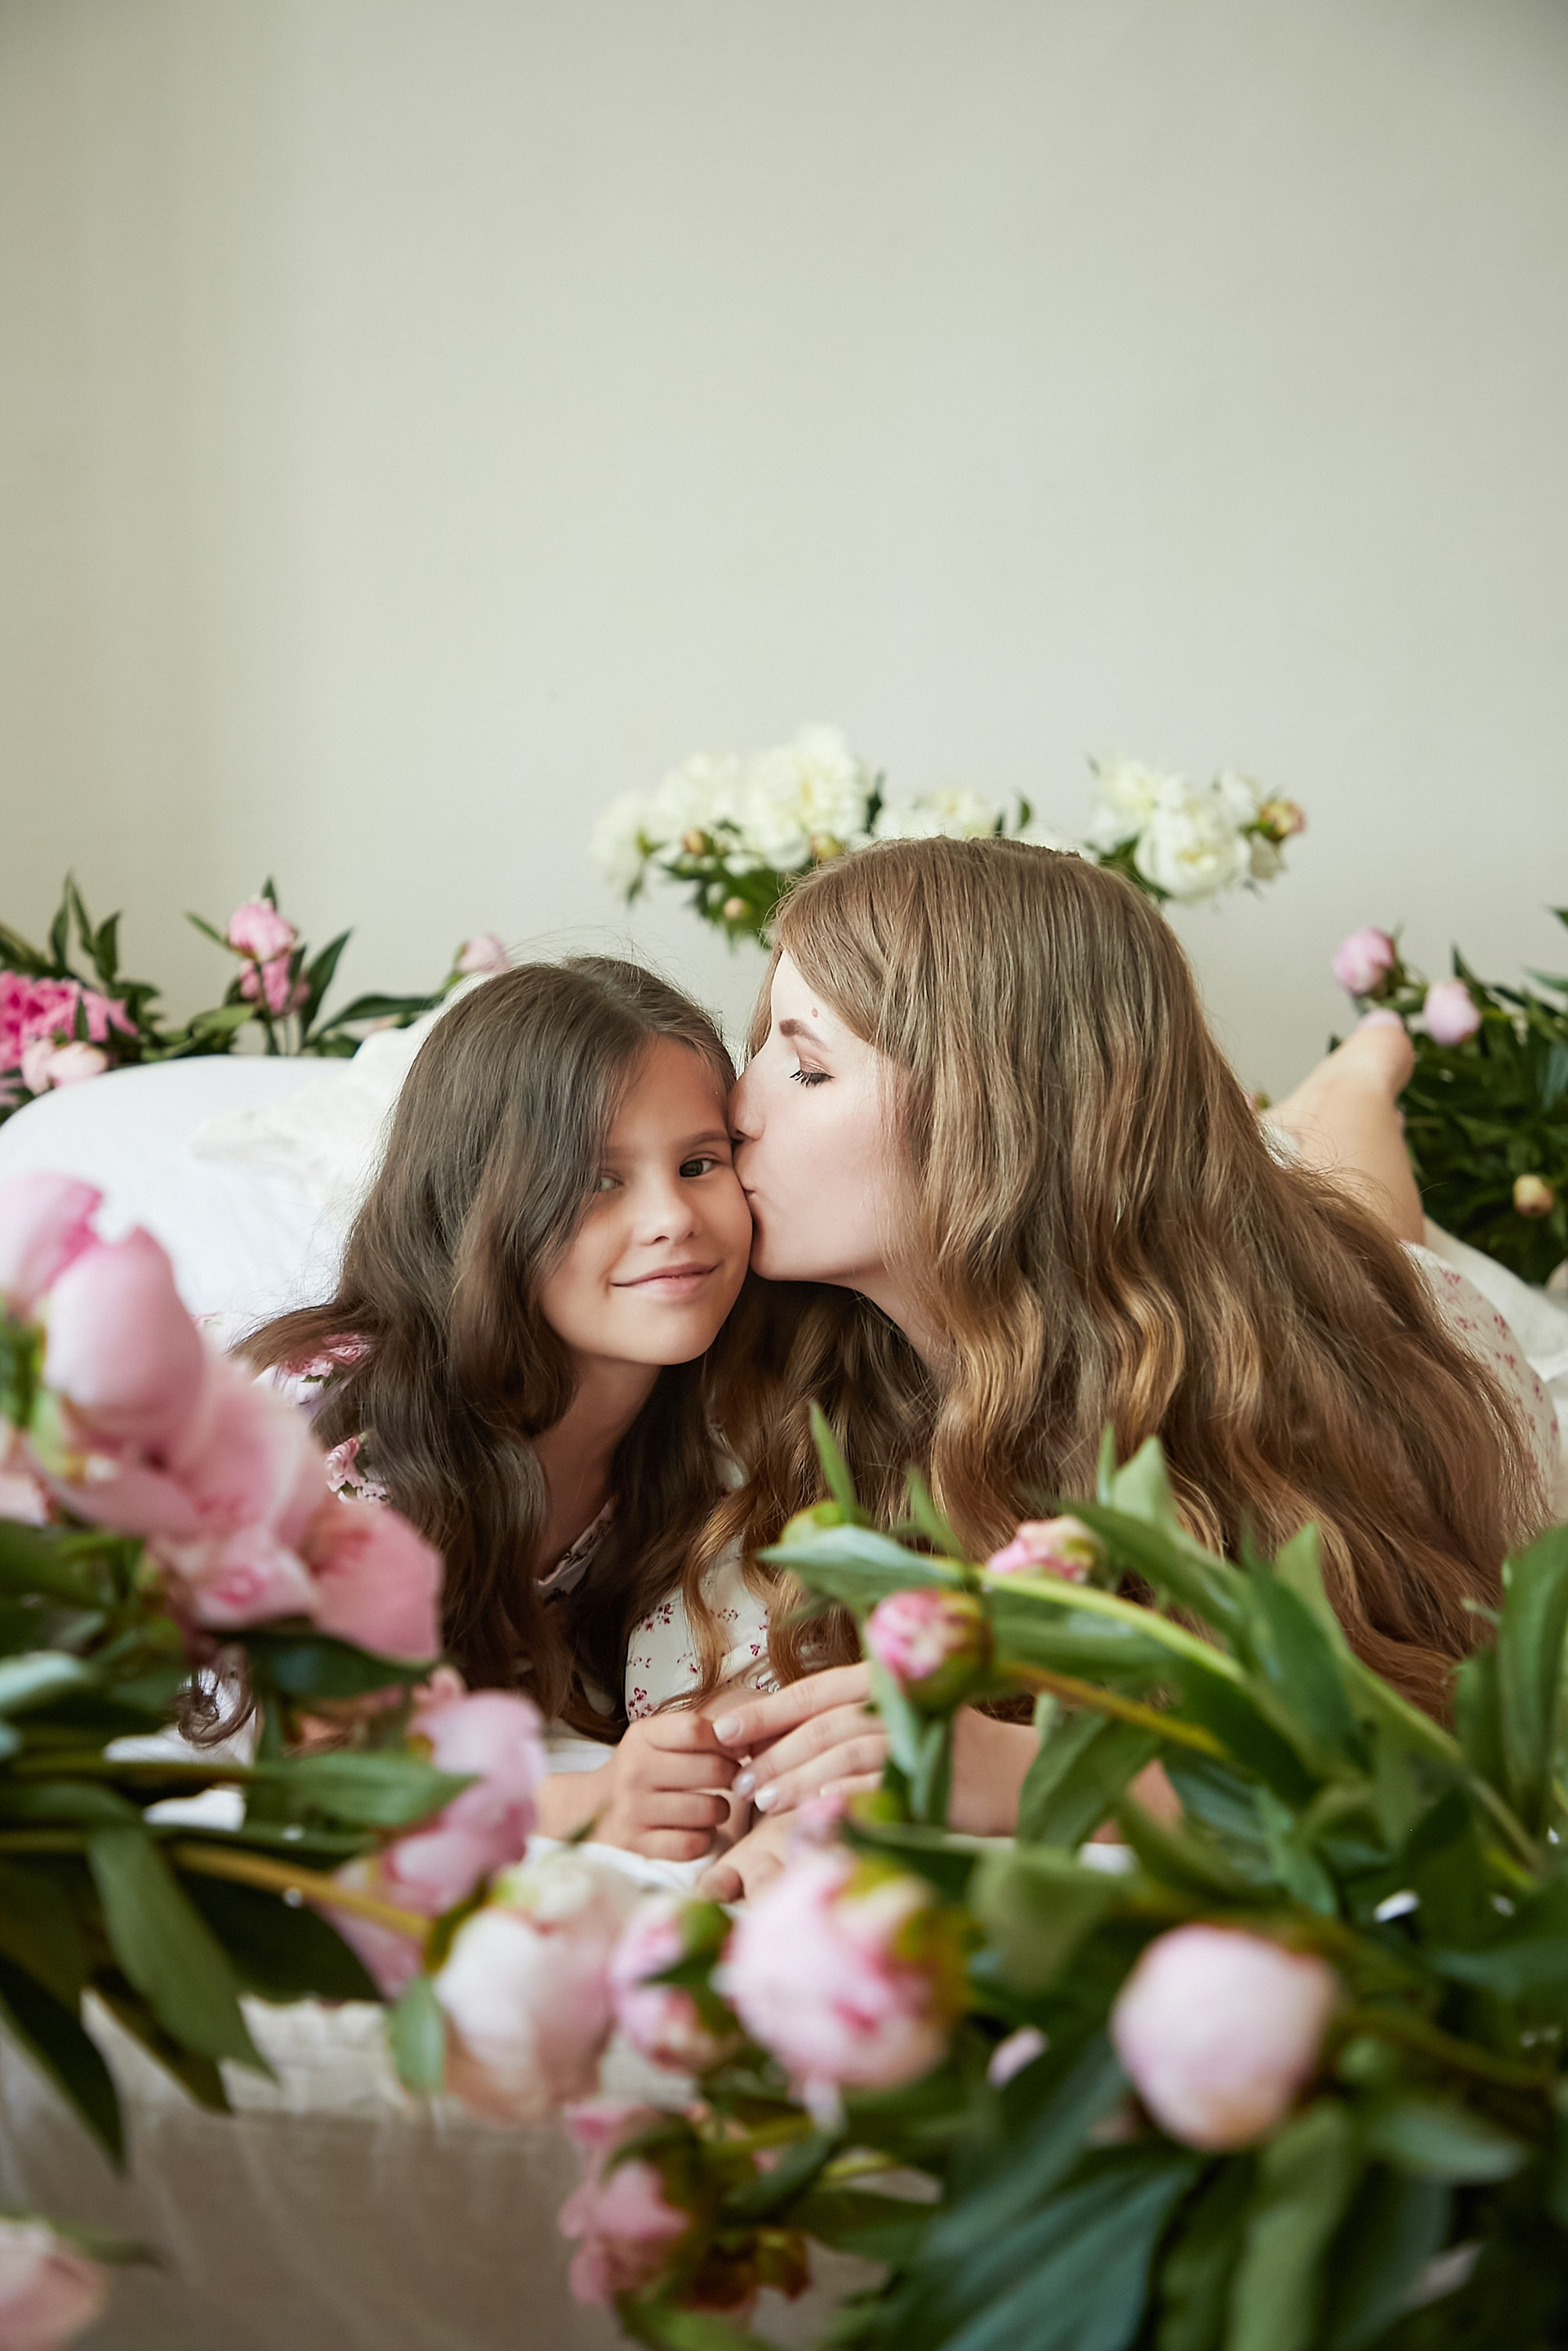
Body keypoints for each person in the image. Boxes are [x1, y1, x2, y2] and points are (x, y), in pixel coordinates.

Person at [674, 838, 1557, 1897]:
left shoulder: (1362, 1359)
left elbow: (1447, 1762)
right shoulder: (767, 1338)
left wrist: (1039, 1773)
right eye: (760, 1048)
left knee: (1355, 1187)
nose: (737, 1108)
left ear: (1000, 1119)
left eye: (808, 1067)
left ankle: (1367, 1068)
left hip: (1342, 1261)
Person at [247, 957, 755, 1862]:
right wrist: (581, 1805)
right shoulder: (357, 1430)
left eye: (699, 1163)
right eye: (599, 1179)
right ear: (480, 1203)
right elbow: (324, 1761)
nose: (673, 1216)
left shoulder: (706, 1425)